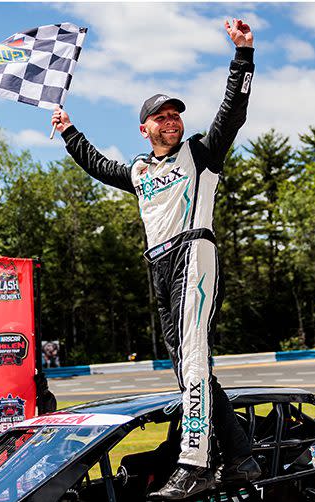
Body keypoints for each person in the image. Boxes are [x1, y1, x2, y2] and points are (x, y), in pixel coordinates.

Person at [51, 17, 259, 501]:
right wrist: (67, 130)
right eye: (161, 117)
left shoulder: (201, 153)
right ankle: (242, 457)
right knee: (190, 371)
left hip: (194, 252)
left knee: (192, 363)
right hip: (159, 266)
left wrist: (243, 55)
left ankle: (195, 465)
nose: (171, 121)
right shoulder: (141, 170)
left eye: (175, 115)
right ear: (144, 128)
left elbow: (235, 110)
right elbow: (100, 166)